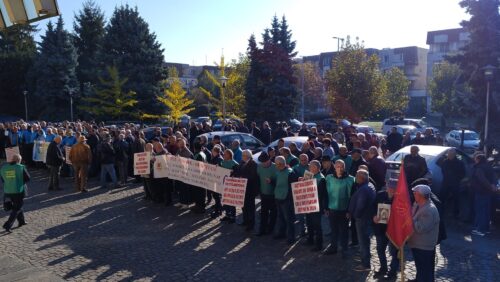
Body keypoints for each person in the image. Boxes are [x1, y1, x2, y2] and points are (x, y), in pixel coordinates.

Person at [408, 185, 440, 282]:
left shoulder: (429, 210)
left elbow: (420, 228)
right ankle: (419, 279)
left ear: (421, 195)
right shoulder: (417, 204)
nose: (413, 195)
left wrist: (410, 220)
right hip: (417, 243)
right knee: (420, 267)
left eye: (415, 193)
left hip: (424, 246)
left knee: (425, 270)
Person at [324, 159, 354, 256]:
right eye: (338, 166)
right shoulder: (329, 178)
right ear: (334, 167)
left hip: (344, 210)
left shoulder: (350, 179)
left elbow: (352, 196)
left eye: (341, 167)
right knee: (333, 229)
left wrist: (349, 210)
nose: (339, 169)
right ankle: (333, 247)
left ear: (344, 167)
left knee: (344, 230)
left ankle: (344, 249)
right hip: (332, 209)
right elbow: (326, 193)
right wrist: (326, 208)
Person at [348, 169, 376, 271]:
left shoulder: (364, 189)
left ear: (361, 178)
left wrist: (355, 215)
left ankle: (365, 264)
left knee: (363, 241)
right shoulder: (369, 185)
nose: (355, 177)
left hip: (362, 218)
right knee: (365, 240)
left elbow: (360, 205)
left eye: (356, 176)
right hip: (366, 217)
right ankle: (365, 258)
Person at [372, 178, 399, 280]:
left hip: (393, 230)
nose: (391, 189)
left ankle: (393, 272)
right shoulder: (380, 195)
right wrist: (374, 216)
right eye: (390, 187)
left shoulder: (400, 199)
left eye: (393, 188)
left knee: (394, 252)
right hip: (381, 228)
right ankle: (383, 268)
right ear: (387, 186)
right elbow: (373, 207)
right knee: (380, 249)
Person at [471, 153, 498, 236]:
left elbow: (482, 180)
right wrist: (493, 186)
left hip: (481, 192)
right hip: (488, 193)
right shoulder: (489, 167)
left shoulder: (479, 168)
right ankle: (486, 229)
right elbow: (494, 178)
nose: (474, 160)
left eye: (475, 159)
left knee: (480, 210)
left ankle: (480, 229)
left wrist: (490, 187)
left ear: (478, 159)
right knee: (486, 211)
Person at [1, 154, 29, 232]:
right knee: (17, 208)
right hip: (18, 191)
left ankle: (21, 221)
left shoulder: (4, 168)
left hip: (8, 191)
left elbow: (3, 180)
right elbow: (27, 178)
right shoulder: (20, 167)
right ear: (18, 160)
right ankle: (7, 225)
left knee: (18, 206)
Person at [273, 156, 298, 245]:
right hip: (279, 197)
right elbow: (277, 182)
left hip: (286, 199)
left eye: (276, 164)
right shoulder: (278, 171)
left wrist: (289, 199)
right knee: (281, 217)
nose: (275, 165)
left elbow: (293, 187)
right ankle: (281, 233)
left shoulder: (290, 173)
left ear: (280, 164)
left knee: (289, 219)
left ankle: (291, 237)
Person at [305, 160, 327, 252]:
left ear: (316, 168)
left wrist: (323, 208)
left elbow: (322, 195)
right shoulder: (308, 175)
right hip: (308, 203)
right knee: (309, 223)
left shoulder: (321, 179)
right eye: (309, 167)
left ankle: (319, 245)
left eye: (311, 167)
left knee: (317, 226)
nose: (309, 168)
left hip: (316, 205)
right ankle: (310, 240)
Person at [235, 149, 259, 231]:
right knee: (243, 206)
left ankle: (251, 224)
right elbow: (238, 171)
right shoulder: (242, 162)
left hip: (250, 190)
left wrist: (243, 178)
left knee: (250, 208)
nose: (242, 157)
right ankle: (245, 220)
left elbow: (253, 176)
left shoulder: (254, 164)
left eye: (243, 155)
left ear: (247, 156)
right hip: (242, 189)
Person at [438, 148, 466, 217]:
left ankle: (456, 213)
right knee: (442, 197)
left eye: (451, 154)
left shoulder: (460, 163)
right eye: (449, 154)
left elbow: (463, 173)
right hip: (446, 182)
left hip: (455, 183)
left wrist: (457, 179)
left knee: (456, 199)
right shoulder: (445, 162)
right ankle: (441, 212)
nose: (449, 155)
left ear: (454, 154)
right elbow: (443, 171)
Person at [256, 152, 277, 236]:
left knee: (273, 213)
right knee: (263, 213)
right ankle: (262, 229)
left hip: (273, 195)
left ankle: (270, 229)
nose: (263, 164)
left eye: (264, 162)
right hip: (263, 194)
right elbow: (257, 178)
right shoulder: (259, 167)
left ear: (268, 160)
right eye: (261, 162)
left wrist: (271, 181)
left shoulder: (275, 167)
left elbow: (280, 180)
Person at [219, 149, 239, 223]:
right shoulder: (223, 162)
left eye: (225, 154)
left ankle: (232, 216)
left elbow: (237, 174)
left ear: (229, 155)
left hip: (231, 185)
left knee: (231, 201)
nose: (223, 155)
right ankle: (227, 215)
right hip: (224, 184)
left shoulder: (234, 164)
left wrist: (232, 174)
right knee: (225, 200)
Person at [191, 142, 207, 213]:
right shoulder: (203, 154)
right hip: (202, 175)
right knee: (201, 191)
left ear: (195, 148)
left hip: (198, 176)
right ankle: (199, 205)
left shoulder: (198, 155)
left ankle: (200, 207)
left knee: (199, 192)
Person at [209, 145, 224, 218]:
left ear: (215, 152)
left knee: (217, 196)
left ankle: (218, 211)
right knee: (215, 196)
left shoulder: (219, 159)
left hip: (217, 181)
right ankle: (219, 208)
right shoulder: (215, 158)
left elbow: (220, 169)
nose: (212, 152)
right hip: (214, 179)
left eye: (213, 151)